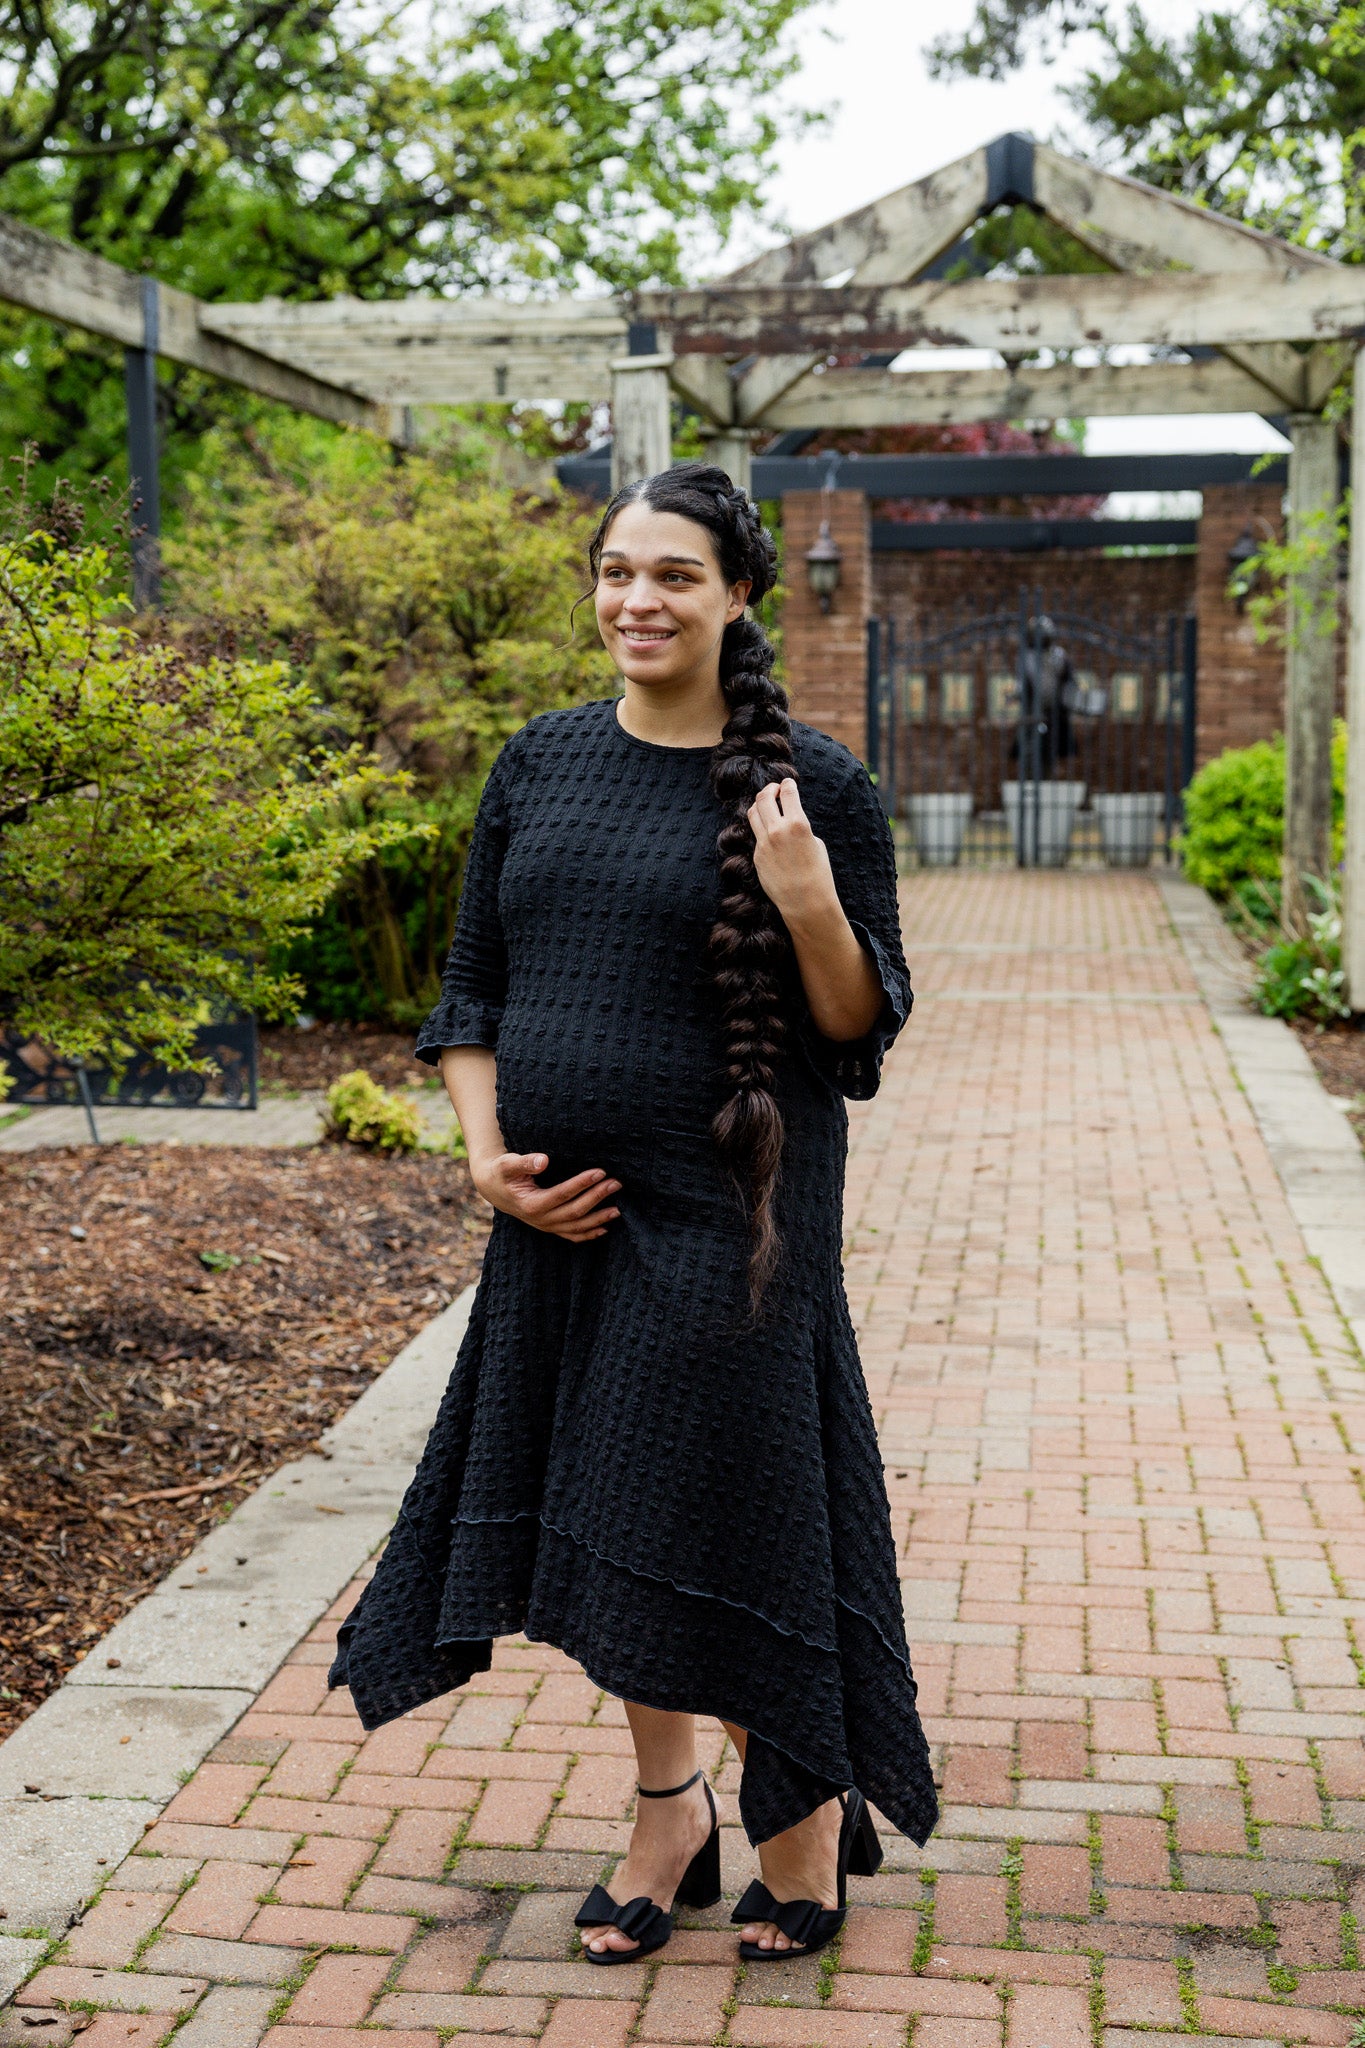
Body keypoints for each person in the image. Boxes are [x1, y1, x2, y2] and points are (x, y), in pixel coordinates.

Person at [329, 462, 937, 1963]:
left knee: (715, 1509)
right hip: (557, 1218)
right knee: (603, 1522)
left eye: (671, 574)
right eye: (614, 572)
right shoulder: (536, 763)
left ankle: (794, 1814)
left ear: (739, 594)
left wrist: (804, 894)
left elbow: (858, 1033)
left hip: (735, 1222)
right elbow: (469, 988)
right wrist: (484, 1160)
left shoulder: (825, 788)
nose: (634, 601)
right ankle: (670, 1808)